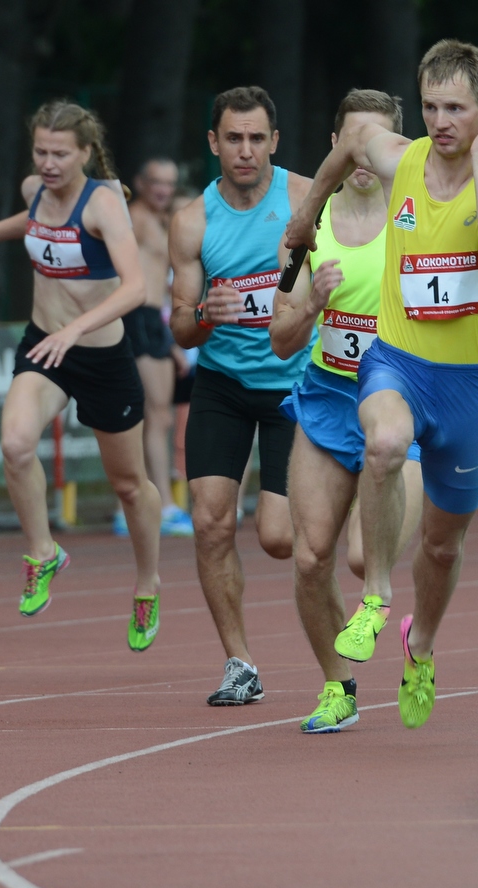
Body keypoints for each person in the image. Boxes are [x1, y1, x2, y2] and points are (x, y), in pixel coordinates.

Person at [285, 40, 478, 728]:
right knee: (386, 443)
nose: (441, 122)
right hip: (396, 362)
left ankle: (419, 646)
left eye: (456, 109)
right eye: (430, 107)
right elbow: (351, 142)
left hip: (468, 389)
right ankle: (375, 598)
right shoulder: (401, 157)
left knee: (444, 547)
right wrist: (308, 214)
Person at [0, 100, 163, 651]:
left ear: (85, 153)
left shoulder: (103, 205)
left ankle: (147, 583)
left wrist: (75, 329)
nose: (49, 163)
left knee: (129, 485)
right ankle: (43, 551)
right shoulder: (34, 188)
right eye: (41, 152)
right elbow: (32, 223)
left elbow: (136, 288)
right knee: (14, 444)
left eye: (60, 154)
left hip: (99, 356)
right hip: (44, 346)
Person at [270, 89, 424, 733]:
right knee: (310, 559)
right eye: (353, 141)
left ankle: (419, 630)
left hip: (402, 399)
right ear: (335, 146)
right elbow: (280, 339)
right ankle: (339, 687)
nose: (364, 156)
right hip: (328, 398)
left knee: (364, 559)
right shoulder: (309, 227)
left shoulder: (420, 219)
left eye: (377, 142)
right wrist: (313, 304)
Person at [170, 86, 312, 705]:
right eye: (234, 138)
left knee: (278, 538)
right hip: (223, 384)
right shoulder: (192, 221)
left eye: (257, 138)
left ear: (274, 142)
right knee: (209, 522)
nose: (245, 150)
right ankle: (240, 663)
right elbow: (180, 326)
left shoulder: (305, 198)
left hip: (294, 383)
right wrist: (207, 312)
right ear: (214, 143)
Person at [113, 158, 194, 537]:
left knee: (154, 416)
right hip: (137, 317)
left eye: (170, 183)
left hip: (153, 320)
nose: (164, 189)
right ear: (141, 183)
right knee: (152, 415)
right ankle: (155, 506)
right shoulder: (136, 219)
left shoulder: (160, 222)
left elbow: (162, 282)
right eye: (157, 182)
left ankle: (140, 504)